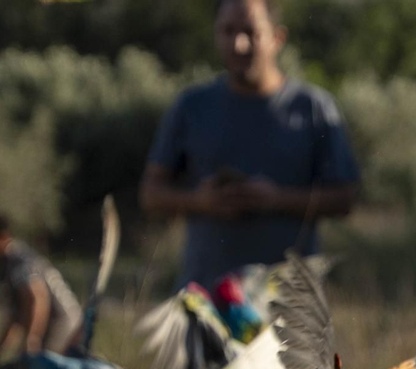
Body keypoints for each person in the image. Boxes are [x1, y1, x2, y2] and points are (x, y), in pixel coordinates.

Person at [140, 0, 360, 288]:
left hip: (289, 305)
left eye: (250, 32)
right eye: (228, 31)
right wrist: (200, 202)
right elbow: (151, 194)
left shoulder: (313, 108)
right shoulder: (190, 107)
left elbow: (345, 198)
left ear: (277, 38)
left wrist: (276, 199)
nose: (239, 44)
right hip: (206, 301)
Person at [0, 215, 83, 357]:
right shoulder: (9, 262)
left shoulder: (18, 260)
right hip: (55, 322)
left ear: (1, 238)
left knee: (40, 368)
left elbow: (37, 299)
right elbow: (15, 316)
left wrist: (32, 339)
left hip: (60, 322)